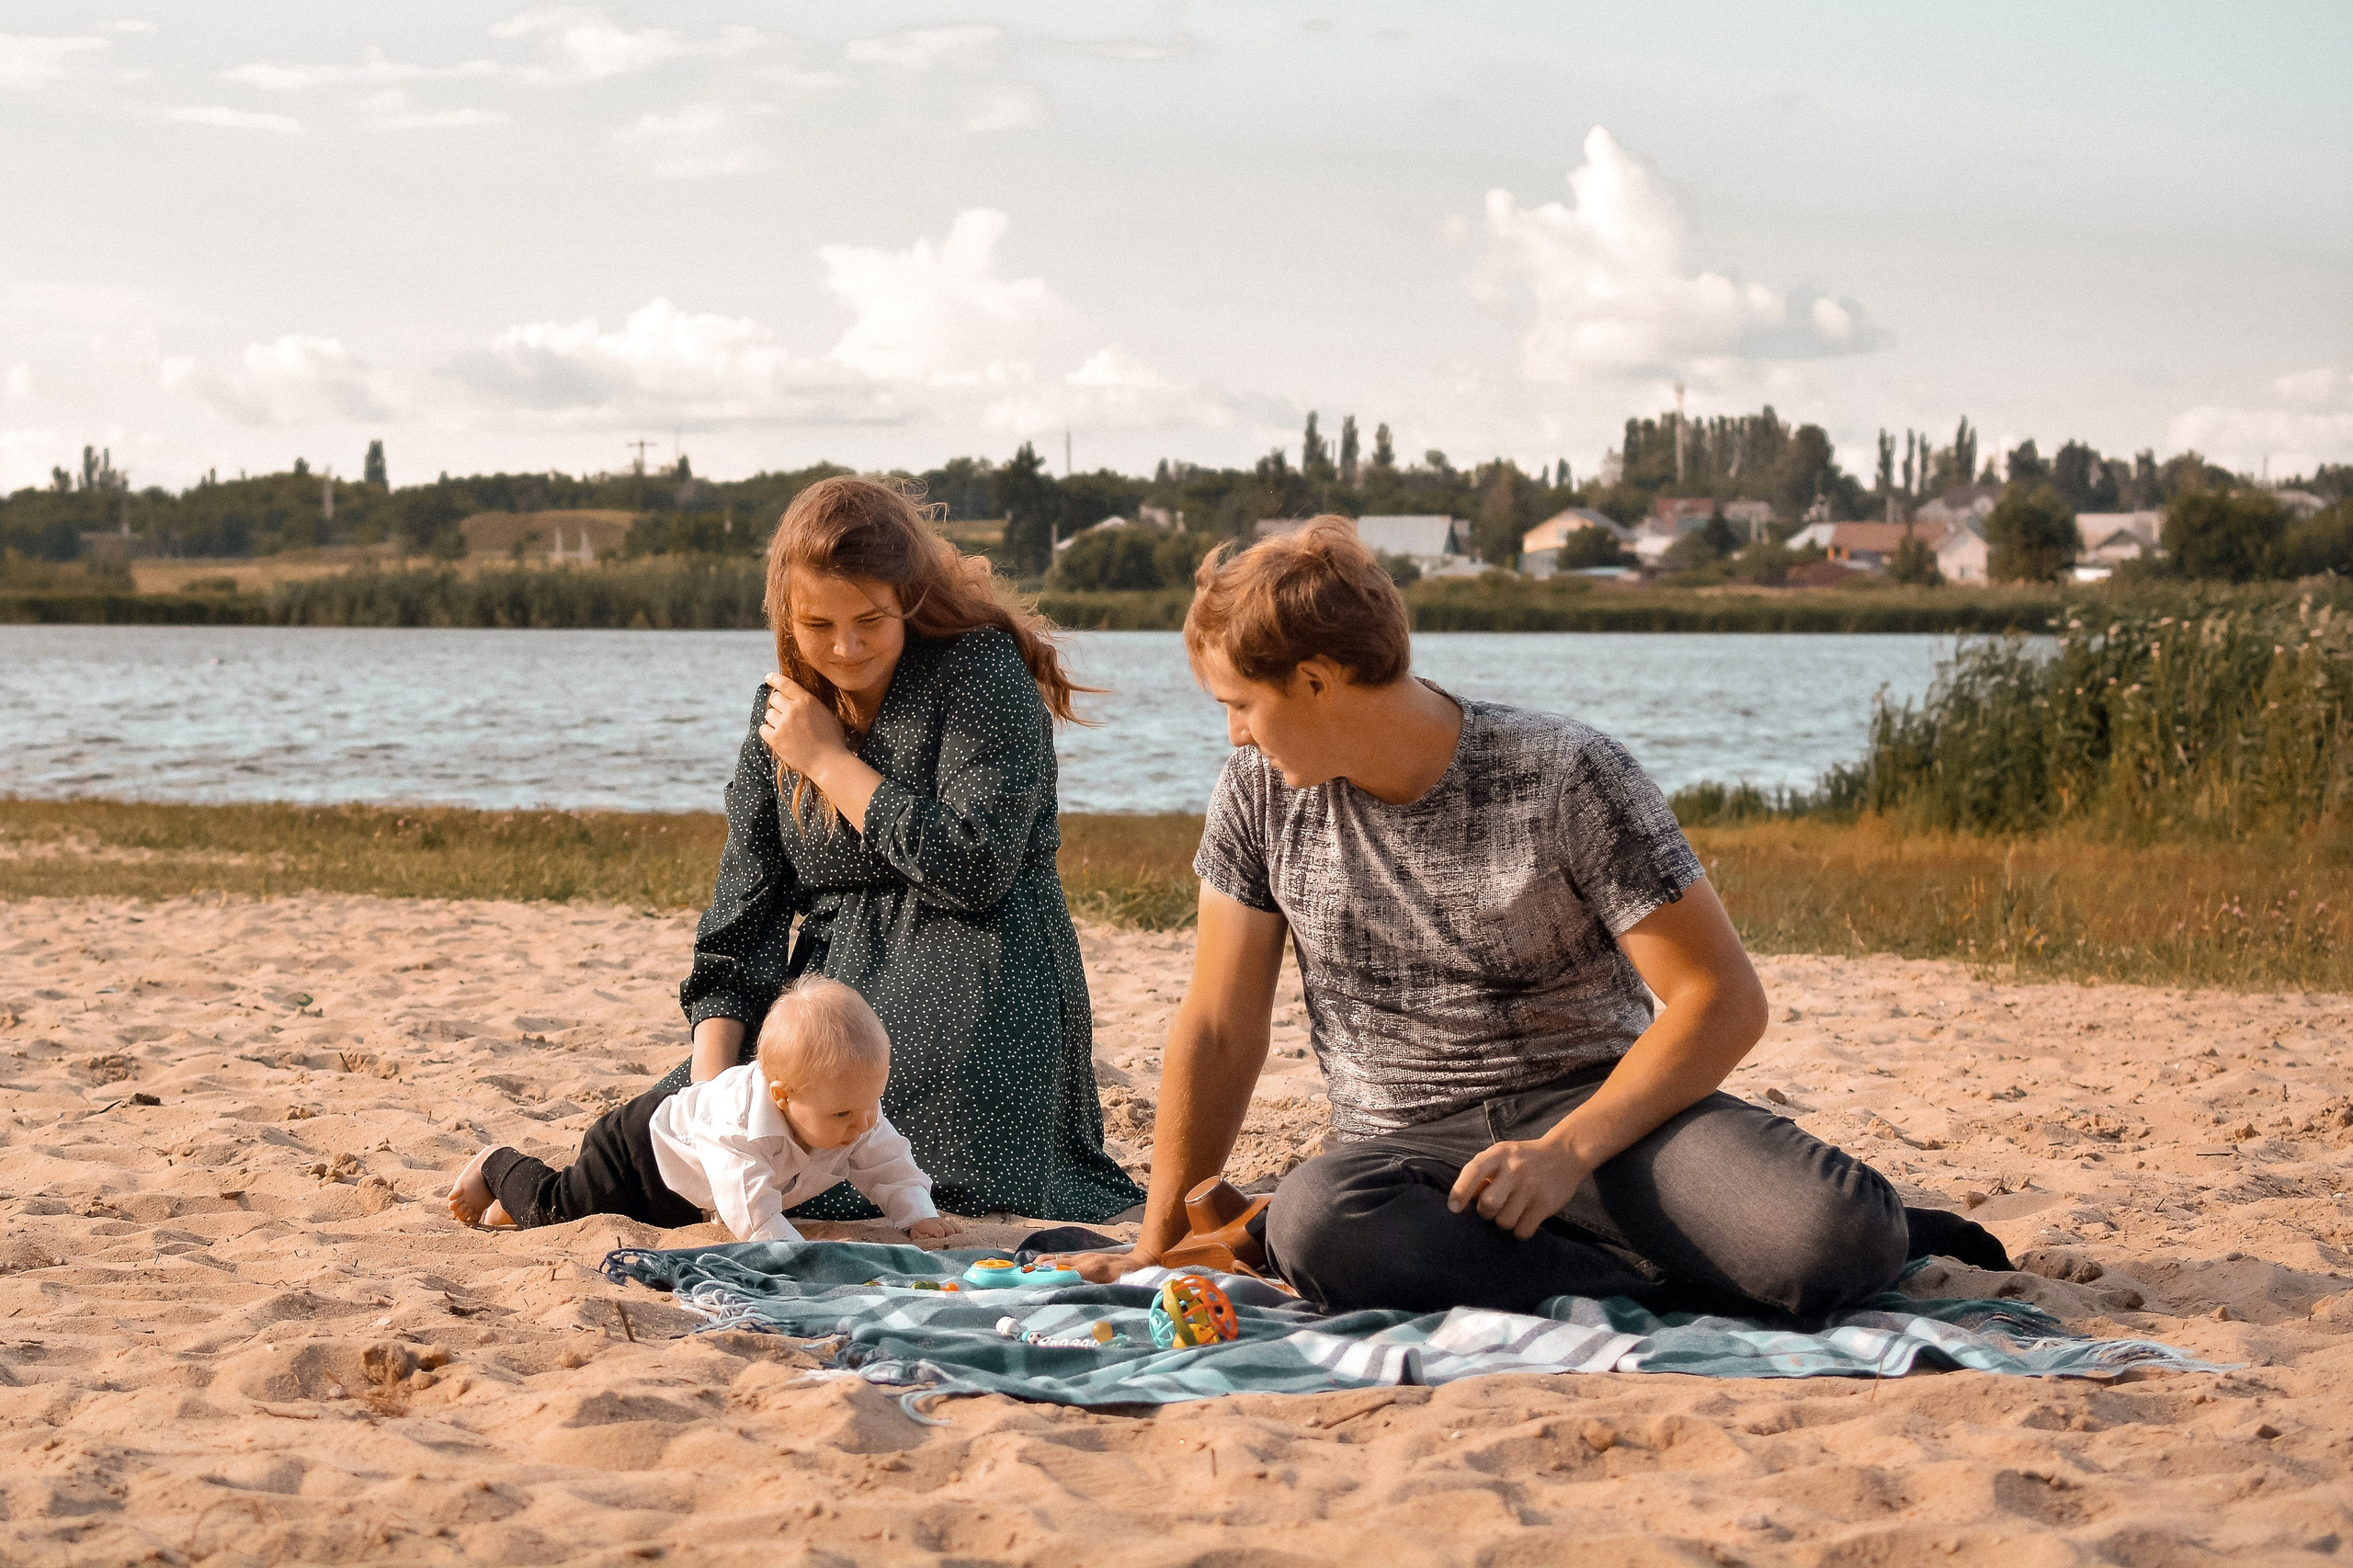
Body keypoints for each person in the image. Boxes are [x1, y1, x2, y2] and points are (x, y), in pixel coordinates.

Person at [1058, 517, 1925, 1319]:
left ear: (1316, 681)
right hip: (1403, 1163)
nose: (1237, 737)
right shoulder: (1257, 799)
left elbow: (1720, 998)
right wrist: (1158, 1243)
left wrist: (1566, 1153)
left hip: (1606, 1120)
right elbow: (1216, 1025)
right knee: (1318, 1223)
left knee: (1837, 1237)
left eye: (1239, 705)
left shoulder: (1568, 772)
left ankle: (1582, 1259)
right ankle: (1643, 1283)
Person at [661, 475, 1142, 1224]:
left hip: (981, 972)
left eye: (870, 620)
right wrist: (708, 1103)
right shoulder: (782, 708)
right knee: (659, 1145)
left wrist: (828, 764)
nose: (845, 648)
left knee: (872, 1146)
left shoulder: (980, 671)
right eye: (817, 625)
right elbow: (742, 922)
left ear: (909, 599)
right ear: (784, 616)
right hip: (831, 996)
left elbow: (975, 866)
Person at [448, 976, 956, 1244]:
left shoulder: (853, 1111)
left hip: (687, 1193)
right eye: (845, 1115)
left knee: (642, 1223)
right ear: (781, 1096)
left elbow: (890, 1163)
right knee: (557, 1211)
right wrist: (788, 1250)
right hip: (637, 1151)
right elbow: (751, 1210)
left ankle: (505, 1208)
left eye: (873, 1104)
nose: (863, 1124)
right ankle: (497, 1164)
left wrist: (917, 1214)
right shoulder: (736, 1125)